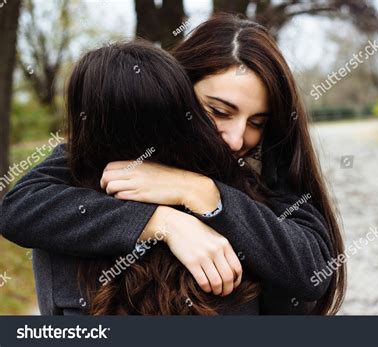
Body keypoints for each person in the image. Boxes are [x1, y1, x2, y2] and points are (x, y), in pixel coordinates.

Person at [0, 14, 345, 315]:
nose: (237, 139)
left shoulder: (263, 181)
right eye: (219, 111)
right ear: (177, 90)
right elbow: (21, 207)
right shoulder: (103, 152)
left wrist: (203, 193)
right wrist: (161, 222)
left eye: (258, 123)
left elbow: (313, 266)